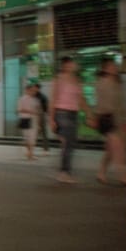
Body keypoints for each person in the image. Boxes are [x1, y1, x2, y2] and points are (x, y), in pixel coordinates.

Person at [47, 56, 91, 184]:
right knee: (68, 142)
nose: (76, 65)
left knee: (70, 143)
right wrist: (51, 119)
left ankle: (64, 170)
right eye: (73, 63)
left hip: (74, 113)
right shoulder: (59, 79)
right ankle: (64, 172)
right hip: (62, 113)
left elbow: (81, 99)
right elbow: (53, 99)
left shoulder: (77, 80)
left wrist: (89, 113)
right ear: (66, 65)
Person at [92, 57, 126, 186]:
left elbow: (122, 104)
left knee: (112, 149)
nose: (114, 68)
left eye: (114, 65)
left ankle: (101, 172)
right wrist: (95, 118)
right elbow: (100, 104)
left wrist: (125, 121)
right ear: (104, 69)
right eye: (111, 66)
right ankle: (124, 177)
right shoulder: (101, 82)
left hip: (119, 120)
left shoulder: (117, 82)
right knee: (119, 149)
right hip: (107, 119)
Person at [17, 83, 41, 161]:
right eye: (31, 90)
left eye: (34, 91)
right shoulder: (22, 99)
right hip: (25, 119)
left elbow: (38, 111)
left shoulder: (35, 100)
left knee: (32, 138)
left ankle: (30, 154)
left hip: (33, 120)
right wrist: (31, 111)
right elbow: (19, 110)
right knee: (27, 138)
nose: (33, 92)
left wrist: (39, 122)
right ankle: (29, 153)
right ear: (27, 90)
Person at [34, 82, 50, 153]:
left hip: (41, 115)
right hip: (34, 115)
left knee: (43, 132)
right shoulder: (33, 96)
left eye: (35, 88)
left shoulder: (42, 97)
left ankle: (45, 148)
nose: (34, 89)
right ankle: (31, 148)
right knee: (35, 132)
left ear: (38, 88)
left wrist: (48, 116)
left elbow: (46, 108)